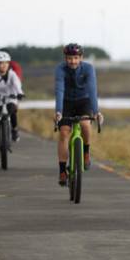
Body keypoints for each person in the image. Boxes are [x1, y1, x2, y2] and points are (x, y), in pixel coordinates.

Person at [54, 42, 103, 186]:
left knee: (85, 124)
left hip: (84, 101)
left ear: (81, 58)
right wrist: (58, 112)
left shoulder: (88, 68)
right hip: (66, 101)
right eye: (70, 58)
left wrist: (96, 112)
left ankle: (86, 152)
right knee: (64, 132)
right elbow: (59, 90)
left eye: (76, 58)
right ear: (66, 58)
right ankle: (62, 170)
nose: (73, 61)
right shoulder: (60, 69)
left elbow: (92, 90)